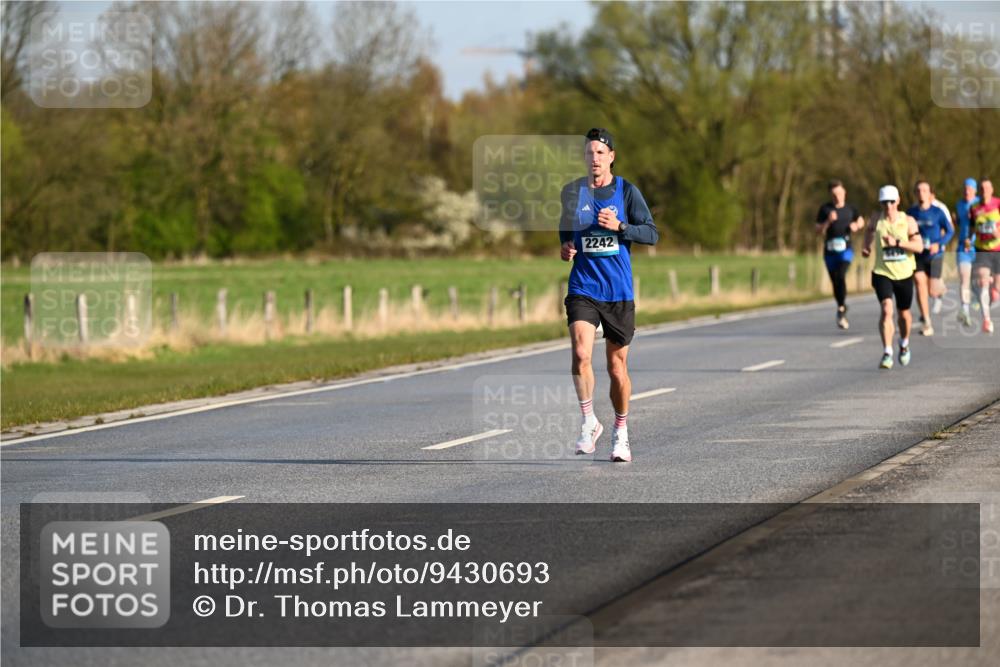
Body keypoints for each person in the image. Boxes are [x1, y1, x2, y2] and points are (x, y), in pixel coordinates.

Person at [560, 128, 659, 462]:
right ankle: (589, 421)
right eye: (590, 153)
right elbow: (565, 229)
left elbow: (652, 234)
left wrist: (621, 227)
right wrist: (566, 246)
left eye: (601, 153)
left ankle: (620, 431)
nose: (595, 159)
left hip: (618, 291)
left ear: (611, 157)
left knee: (617, 367)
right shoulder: (572, 192)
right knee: (580, 353)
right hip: (583, 287)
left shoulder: (627, 192)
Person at [862, 185, 922, 369]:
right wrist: (866, 247)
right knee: (887, 309)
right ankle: (887, 351)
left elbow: (919, 247)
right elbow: (869, 231)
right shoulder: (876, 219)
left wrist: (897, 243)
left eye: (891, 202)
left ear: (898, 201)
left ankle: (904, 343)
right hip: (882, 272)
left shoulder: (908, 221)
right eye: (884, 202)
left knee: (904, 315)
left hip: (904, 274)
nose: (888, 206)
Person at [815, 180, 865, 329]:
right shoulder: (825, 209)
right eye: (834, 194)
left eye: (839, 193)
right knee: (835, 281)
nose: (837, 197)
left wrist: (856, 225)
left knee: (841, 275)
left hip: (846, 250)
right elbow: (817, 230)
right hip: (829, 251)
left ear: (844, 192)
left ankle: (841, 308)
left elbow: (861, 220)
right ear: (830, 195)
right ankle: (841, 306)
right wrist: (827, 222)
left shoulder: (851, 209)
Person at [907, 180, 954, 336]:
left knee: (932, 291)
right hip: (918, 255)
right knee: (919, 283)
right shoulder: (911, 212)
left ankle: (939, 290)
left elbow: (950, 231)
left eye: (925, 190)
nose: (921, 193)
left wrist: (938, 244)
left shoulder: (937, 212)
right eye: (918, 190)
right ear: (915, 193)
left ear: (930, 194)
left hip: (935, 255)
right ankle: (926, 321)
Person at [970, 178, 1000, 334]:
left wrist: (998, 232)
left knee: (996, 289)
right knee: (983, 282)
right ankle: (986, 320)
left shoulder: (998, 204)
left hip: (998, 249)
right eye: (981, 188)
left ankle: (994, 289)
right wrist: (968, 240)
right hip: (982, 250)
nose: (984, 191)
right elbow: (971, 229)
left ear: (992, 189)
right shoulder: (974, 208)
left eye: (987, 188)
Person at [954, 178, 980, 327]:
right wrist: (955, 221)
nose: (966, 191)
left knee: (978, 278)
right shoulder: (959, 204)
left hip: (979, 246)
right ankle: (965, 311)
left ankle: (976, 294)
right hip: (963, 247)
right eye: (965, 188)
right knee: (964, 278)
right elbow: (960, 223)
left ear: (975, 190)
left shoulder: (979, 203)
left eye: (969, 188)